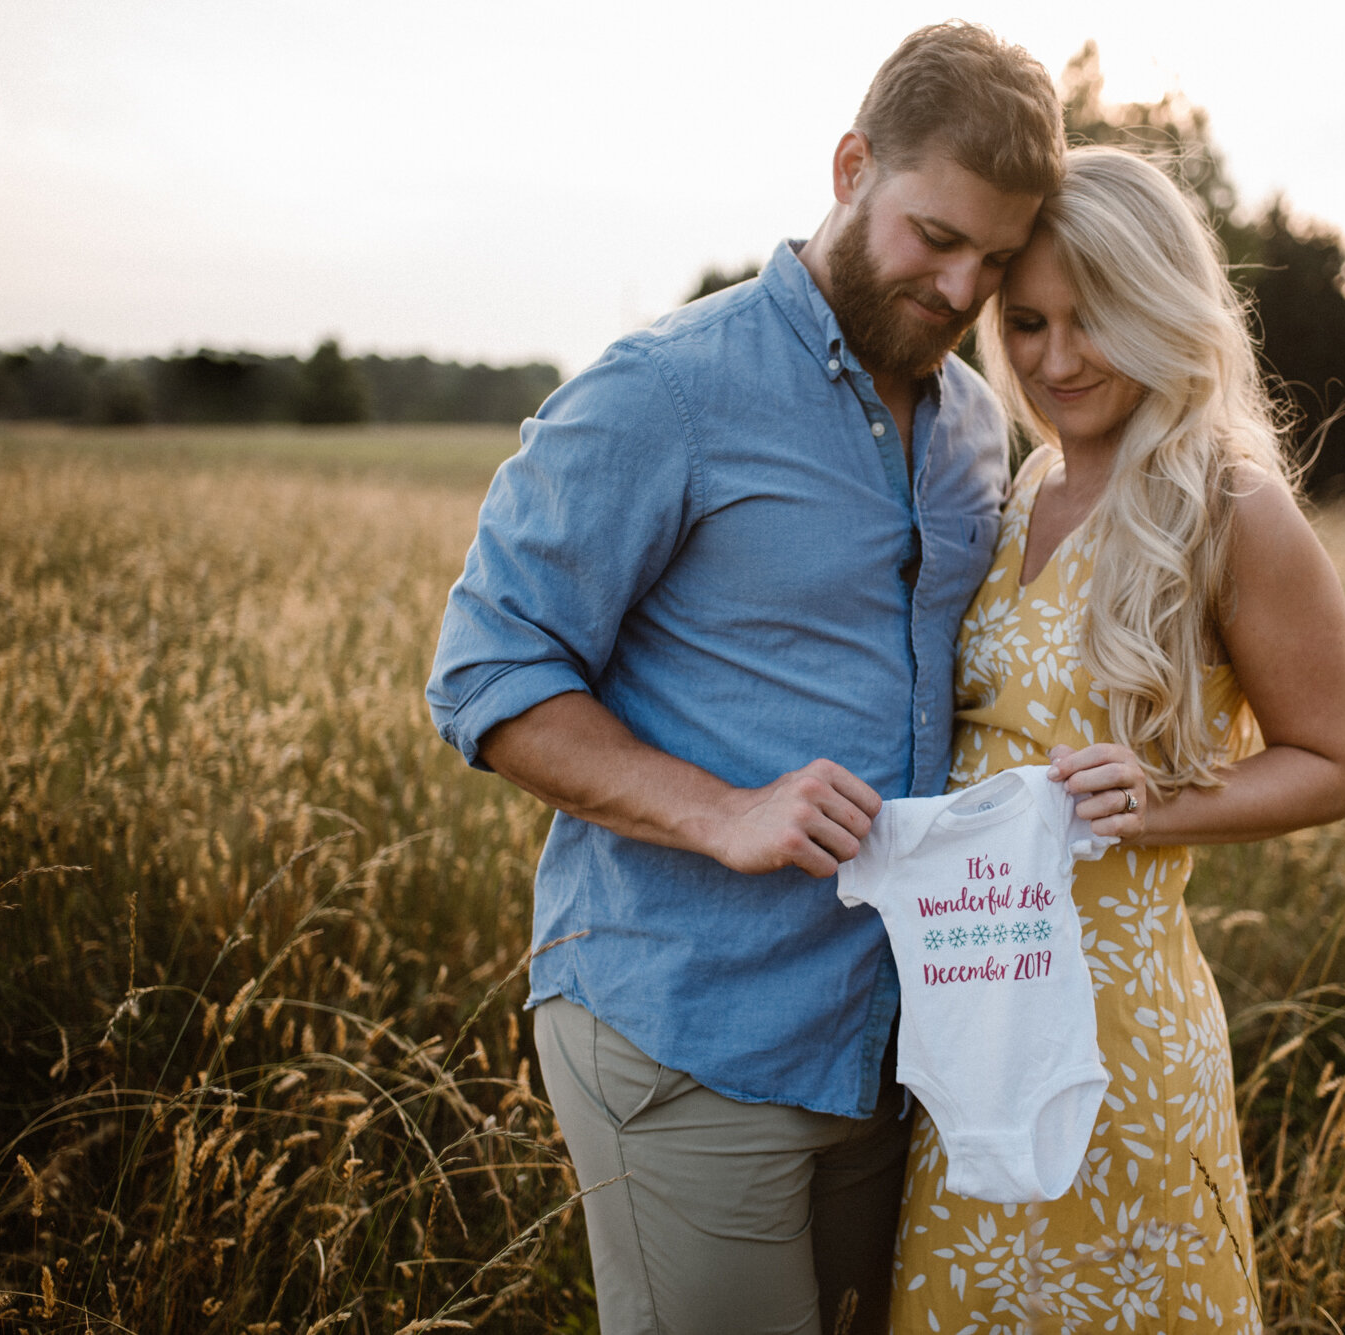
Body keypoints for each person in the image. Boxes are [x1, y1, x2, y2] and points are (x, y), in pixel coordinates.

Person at [424, 23, 1064, 1335]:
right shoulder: (665, 388)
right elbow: (487, 671)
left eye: (997, 259)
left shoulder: (971, 429)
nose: (960, 288)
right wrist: (724, 809)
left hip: (892, 1039)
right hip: (686, 1025)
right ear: (849, 168)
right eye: (934, 235)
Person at [887, 147, 1345, 1333]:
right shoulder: (1012, 490)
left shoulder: (1231, 506)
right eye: (1029, 322)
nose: (1054, 360)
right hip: (968, 1013)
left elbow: (1331, 765)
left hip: (1119, 1037)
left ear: (1159, 304)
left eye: (1090, 321)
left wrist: (1157, 801)